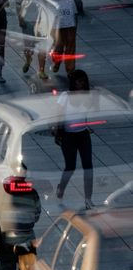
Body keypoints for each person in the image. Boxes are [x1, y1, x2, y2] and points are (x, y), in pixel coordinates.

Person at [55, 69, 96, 208]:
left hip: (83, 134)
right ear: (73, 83)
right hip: (68, 135)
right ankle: (61, 188)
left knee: (88, 166)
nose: (82, 84)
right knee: (70, 167)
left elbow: (90, 111)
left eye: (84, 81)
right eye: (79, 81)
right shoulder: (65, 96)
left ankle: (88, 198)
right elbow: (58, 115)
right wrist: (57, 133)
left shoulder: (87, 96)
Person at [17, 0, 48, 78]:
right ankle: (28, 60)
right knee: (28, 45)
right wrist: (20, 18)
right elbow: (18, 3)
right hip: (29, 20)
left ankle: (41, 70)